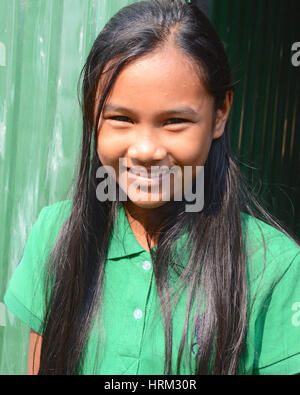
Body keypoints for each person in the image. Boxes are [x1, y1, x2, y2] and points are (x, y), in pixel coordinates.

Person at [4, 0, 300, 375]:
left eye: (175, 121)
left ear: (220, 113)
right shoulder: (56, 233)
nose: (145, 151)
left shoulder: (273, 267)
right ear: (92, 115)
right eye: (121, 118)